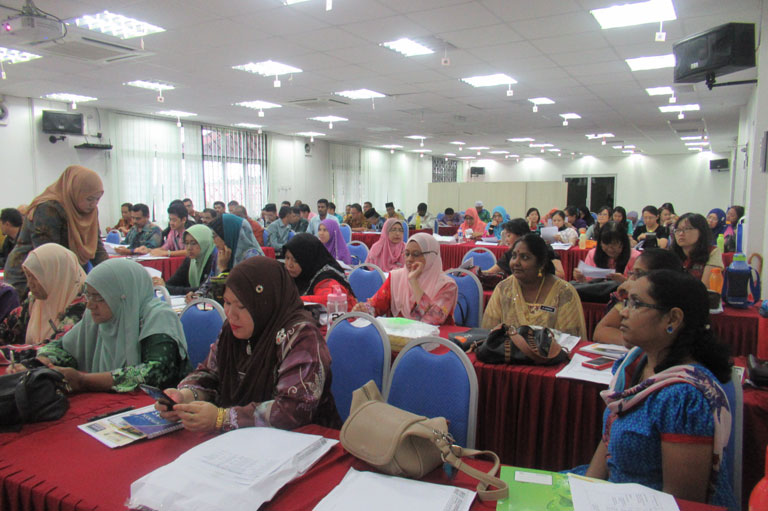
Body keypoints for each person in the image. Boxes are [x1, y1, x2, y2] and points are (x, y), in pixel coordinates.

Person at [577, 270, 735, 508]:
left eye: (636, 304)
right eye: (626, 302)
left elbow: (681, 502)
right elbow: (609, 437)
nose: (624, 312)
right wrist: (585, 491)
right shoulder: (635, 363)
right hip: (612, 494)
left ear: (672, 319)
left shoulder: (683, 397)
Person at [156, 257, 340, 432]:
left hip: (302, 441)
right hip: (242, 441)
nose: (231, 314)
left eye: (242, 306)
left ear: (265, 303)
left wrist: (222, 418)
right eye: (227, 302)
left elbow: (291, 409)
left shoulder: (301, 336)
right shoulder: (233, 330)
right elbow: (210, 373)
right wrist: (186, 397)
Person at [10, 259, 189, 393]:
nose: (90, 305)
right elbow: (61, 346)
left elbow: (155, 373)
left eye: (99, 297)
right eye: (89, 296)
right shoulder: (97, 318)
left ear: (122, 296)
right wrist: (41, 363)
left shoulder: (158, 317)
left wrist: (85, 380)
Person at [4, 165, 107, 296]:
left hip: (65, 274)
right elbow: (48, 255)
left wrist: (110, 272)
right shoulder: (48, 208)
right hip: (29, 278)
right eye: (89, 199)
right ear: (74, 192)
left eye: (98, 199)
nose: (94, 204)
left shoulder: (90, 211)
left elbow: (96, 246)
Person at [482, 233, 586, 338]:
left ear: (541, 263)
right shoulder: (504, 288)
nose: (516, 262)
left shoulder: (563, 293)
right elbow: (489, 334)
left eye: (525, 257)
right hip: (507, 348)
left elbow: (570, 339)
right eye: (514, 256)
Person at [353, 233, 458, 326]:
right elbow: (376, 305)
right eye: (407, 254)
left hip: (434, 338)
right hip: (398, 337)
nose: (409, 259)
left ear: (431, 257)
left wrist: (414, 282)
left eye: (416, 254)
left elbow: (433, 319)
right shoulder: (396, 277)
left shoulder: (447, 285)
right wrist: (364, 310)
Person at [0, 244, 87, 345]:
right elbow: (6, 330)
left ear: (54, 276)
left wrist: (8, 352)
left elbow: (55, 348)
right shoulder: (34, 302)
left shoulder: (83, 309)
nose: (29, 284)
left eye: (34, 277)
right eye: (28, 276)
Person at [593, 248, 684, 345]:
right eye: (632, 273)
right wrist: (633, 343)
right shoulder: (629, 298)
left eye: (638, 274)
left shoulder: (671, 306)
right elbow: (600, 332)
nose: (631, 279)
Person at [284, 233, 357, 309]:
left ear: (308, 260)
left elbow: (329, 299)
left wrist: (289, 301)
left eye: (296, 260)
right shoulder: (292, 275)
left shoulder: (327, 278)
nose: (289, 265)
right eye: (287, 258)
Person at [153, 225, 218, 299]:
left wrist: (167, 288)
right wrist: (161, 284)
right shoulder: (190, 260)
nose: (189, 248)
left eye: (193, 243)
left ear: (205, 243)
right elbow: (172, 283)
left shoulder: (214, 261)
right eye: (186, 243)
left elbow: (202, 290)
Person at [574, 221, 640, 283]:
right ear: (600, 243)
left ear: (623, 243)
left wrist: (624, 281)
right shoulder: (593, 254)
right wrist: (582, 279)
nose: (610, 249)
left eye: (614, 244)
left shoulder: (635, 257)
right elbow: (588, 285)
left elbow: (640, 287)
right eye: (606, 244)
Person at [671, 213, 723, 285]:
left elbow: (706, 287)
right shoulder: (671, 253)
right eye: (678, 230)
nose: (680, 233)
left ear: (701, 231)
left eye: (687, 229)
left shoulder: (712, 252)